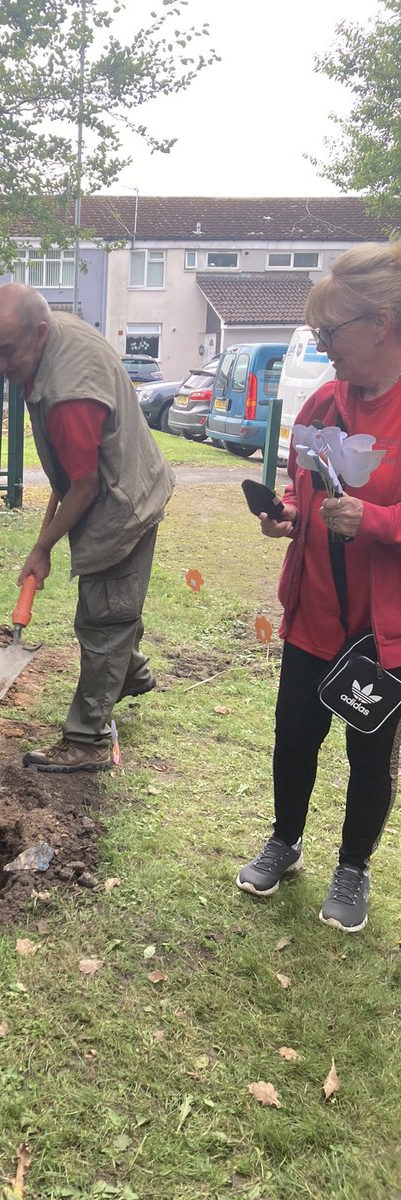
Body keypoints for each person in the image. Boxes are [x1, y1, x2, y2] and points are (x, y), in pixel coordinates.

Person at [237, 241, 401, 934]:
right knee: (294, 735)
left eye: (329, 333)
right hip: (313, 611)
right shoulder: (322, 405)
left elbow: (371, 514)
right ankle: (286, 838)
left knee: (369, 752)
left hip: (382, 630)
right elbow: (307, 490)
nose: (322, 346)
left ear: (382, 324)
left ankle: (353, 867)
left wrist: (378, 520)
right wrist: (289, 515)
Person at [0, 283, 175, 773]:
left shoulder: (68, 392)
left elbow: (83, 488)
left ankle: (87, 741)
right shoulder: (55, 338)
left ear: (40, 332)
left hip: (120, 502)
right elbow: (71, 478)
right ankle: (130, 675)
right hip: (125, 482)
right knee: (112, 608)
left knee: (104, 618)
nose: (0, 366)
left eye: (8, 352)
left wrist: (42, 547)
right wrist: (47, 533)